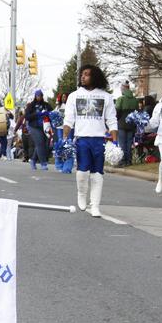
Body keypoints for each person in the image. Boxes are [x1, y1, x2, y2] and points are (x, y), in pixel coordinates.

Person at [63, 65, 117, 216]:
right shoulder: (74, 96)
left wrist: (115, 141)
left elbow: (111, 120)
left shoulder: (106, 96)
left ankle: (95, 206)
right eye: (82, 74)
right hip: (82, 138)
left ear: (95, 77)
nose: (83, 77)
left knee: (97, 173)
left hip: (99, 139)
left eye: (87, 74)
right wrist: (65, 139)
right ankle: (81, 194)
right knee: (82, 171)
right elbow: (68, 120)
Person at [19, 90, 51, 169]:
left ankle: (33, 160)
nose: (39, 97)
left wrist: (48, 114)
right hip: (33, 127)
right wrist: (36, 114)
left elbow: (52, 112)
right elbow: (27, 117)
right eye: (37, 96)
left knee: (42, 143)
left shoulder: (46, 105)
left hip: (44, 127)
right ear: (35, 96)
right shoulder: (31, 105)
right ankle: (43, 163)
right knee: (40, 143)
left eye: (40, 95)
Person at [114, 82, 138, 165]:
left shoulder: (120, 99)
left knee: (122, 143)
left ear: (124, 88)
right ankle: (129, 160)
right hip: (131, 124)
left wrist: (116, 120)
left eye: (121, 88)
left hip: (122, 123)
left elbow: (117, 112)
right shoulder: (135, 100)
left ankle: (123, 160)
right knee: (129, 143)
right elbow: (136, 113)